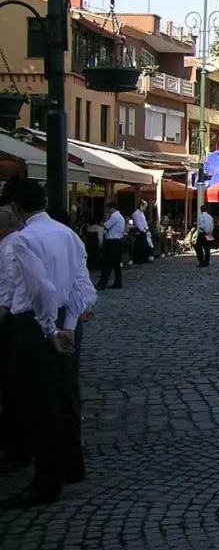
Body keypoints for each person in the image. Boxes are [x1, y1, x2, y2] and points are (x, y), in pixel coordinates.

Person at [0, 179, 96, 507]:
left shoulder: (24, 239)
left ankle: (47, 481)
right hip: (64, 322)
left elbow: (41, 289)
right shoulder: (67, 234)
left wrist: (48, 329)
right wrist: (67, 326)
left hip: (35, 325)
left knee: (39, 403)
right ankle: (71, 465)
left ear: (16, 206)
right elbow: (82, 285)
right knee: (65, 394)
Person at [97, 203, 125, 290]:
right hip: (117, 241)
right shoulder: (120, 217)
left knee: (107, 264)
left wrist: (105, 220)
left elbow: (106, 225)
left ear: (112, 208)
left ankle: (102, 284)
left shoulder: (114, 216)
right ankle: (118, 282)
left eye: (108, 209)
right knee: (116, 264)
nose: (107, 211)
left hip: (112, 241)